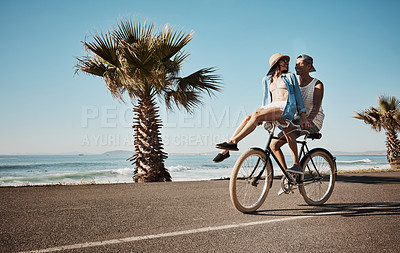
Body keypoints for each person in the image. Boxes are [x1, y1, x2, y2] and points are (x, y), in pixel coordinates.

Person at [213, 53, 310, 174]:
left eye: (287, 60)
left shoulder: (290, 77)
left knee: (256, 114)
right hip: (271, 107)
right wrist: (259, 116)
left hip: (286, 107)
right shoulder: (266, 80)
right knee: (249, 117)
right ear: (275, 63)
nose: (287, 62)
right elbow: (265, 100)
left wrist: (304, 117)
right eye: (283, 60)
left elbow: (298, 97)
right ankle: (226, 150)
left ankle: (233, 143)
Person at [270, 54, 325, 176]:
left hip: (313, 121)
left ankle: (297, 165)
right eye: (295, 64)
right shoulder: (293, 83)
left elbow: (316, 107)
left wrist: (307, 121)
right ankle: (288, 176)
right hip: (296, 120)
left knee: (288, 130)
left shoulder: (317, 84)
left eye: (300, 64)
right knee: (273, 145)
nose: (296, 66)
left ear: (309, 66)